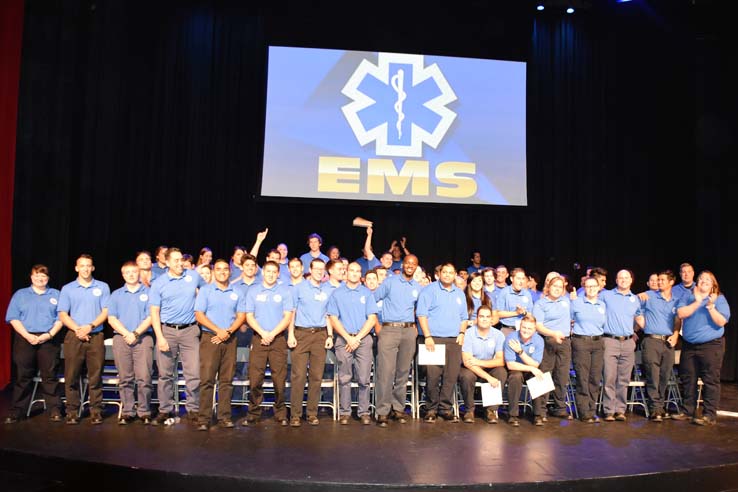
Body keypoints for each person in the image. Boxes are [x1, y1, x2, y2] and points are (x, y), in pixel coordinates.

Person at [149, 247, 206, 425]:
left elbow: (207, 291)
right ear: (166, 262)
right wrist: (160, 337)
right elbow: (154, 312)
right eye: (175, 260)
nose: (180, 263)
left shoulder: (193, 276)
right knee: (165, 375)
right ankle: (165, 410)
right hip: (167, 331)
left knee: (194, 373)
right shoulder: (159, 283)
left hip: (190, 330)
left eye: (181, 259)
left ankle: (193, 408)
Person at [4, 265, 63, 424]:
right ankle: (18, 411)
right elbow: (13, 318)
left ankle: (54, 409)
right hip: (25, 338)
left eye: (43, 276)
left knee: (50, 376)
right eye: (37, 276)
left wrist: (49, 334)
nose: (40, 279)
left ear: (48, 278)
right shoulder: (21, 295)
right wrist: (27, 335)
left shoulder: (56, 295)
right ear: (31, 277)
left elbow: (61, 318)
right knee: (23, 376)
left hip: (48, 339)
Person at [193, 259, 247, 430]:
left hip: (230, 338)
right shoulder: (206, 290)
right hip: (211, 338)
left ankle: (224, 416)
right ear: (214, 271)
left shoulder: (237, 291)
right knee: (207, 379)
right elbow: (199, 315)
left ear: (230, 272)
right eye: (218, 269)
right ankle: (204, 419)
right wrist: (218, 331)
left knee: (227, 380)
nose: (222, 272)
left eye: (225, 269)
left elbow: (241, 316)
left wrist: (228, 332)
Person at [57, 254, 111, 424]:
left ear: (93, 268)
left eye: (88, 265)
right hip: (74, 336)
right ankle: (72, 411)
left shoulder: (102, 287)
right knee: (71, 376)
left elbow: (106, 311)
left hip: (95, 335)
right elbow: (63, 314)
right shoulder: (68, 288)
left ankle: (96, 410)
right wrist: (78, 329)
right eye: (82, 265)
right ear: (76, 268)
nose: (86, 268)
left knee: (95, 375)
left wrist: (90, 326)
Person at [243, 261, 294, 426]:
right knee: (255, 378)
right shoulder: (253, 291)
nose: (271, 274)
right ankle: (253, 412)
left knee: (279, 379)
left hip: (278, 339)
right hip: (259, 338)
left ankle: (280, 412)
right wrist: (264, 333)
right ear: (263, 272)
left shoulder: (285, 291)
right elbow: (249, 316)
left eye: (274, 272)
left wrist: (272, 334)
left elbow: (287, 316)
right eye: (268, 271)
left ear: (278, 273)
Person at [372, 254, 421, 427]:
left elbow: (420, 310)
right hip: (389, 329)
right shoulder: (390, 281)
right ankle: (382, 411)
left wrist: (414, 326)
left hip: (408, 332)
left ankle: (398, 408)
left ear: (416, 267)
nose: (410, 266)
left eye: (413, 264)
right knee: (386, 372)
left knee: (402, 372)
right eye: (407, 263)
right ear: (403, 264)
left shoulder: (417, 287)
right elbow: (372, 300)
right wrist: (377, 325)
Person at [327, 262, 378, 425]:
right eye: (352, 271)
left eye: (358, 271)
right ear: (346, 272)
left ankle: (363, 411)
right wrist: (348, 338)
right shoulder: (337, 293)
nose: (355, 273)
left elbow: (372, 319)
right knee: (344, 377)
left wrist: (357, 338)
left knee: (364, 378)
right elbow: (333, 318)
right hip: (344, 339)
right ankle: (345, 412)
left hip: (363, 340)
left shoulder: (367, 293)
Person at [676, 270, 730, 425]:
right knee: (688, 379)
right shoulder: (688, 297)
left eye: (707, 279)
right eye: (700, 279)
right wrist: (697, 302)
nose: (703, 281)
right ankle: (687, 411)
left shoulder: (719, 299)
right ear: (696, 283)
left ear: (713, 284)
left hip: (711, 345)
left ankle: (709, 415)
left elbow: (721, 322)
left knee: (710, 380)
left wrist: (710, 306)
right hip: (689, 346)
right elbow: (681, 313)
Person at [417, 262, 468, 423]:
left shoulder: (459, 294)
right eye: (444, 272)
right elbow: (422, 315)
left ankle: (445, 408)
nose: (447, 275)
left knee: (451, 376)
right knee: (432, 376)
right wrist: (427, 336)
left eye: (450, 272)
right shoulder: (429, 290)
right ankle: (431, 408)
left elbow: (464, 317)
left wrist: (462, 332)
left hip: (454, 340)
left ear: (455, 275)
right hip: (434, 339)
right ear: (439, 274)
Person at [288, 258, 334, 426]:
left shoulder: (327, 290)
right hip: (301, 334)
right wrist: (290, 334)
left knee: (316, 376)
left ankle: (312, 413)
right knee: (298, 375)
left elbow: (328, 315)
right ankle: (295, 415)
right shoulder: (299, 288)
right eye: (317, 268)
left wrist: (330, 336)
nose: (320, 272)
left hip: (320, 335)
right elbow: (291, 313)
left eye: (322, 269)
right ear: (310, 269)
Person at [107, 261, 154, 425]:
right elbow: (111, 317)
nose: (131, 275)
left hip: (143, 338)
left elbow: (151, 317)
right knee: (125, 378)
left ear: (139, 273)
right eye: (127, 272)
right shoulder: (116, 294)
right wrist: (126, 333)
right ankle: (127, 410)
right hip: (122, 338)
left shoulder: (149, 292)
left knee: (144, 377)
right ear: (123, 274)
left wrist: (136, 333)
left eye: (134, 272)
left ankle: (144, 411)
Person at [598, 270, 644, 422]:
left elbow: (639, 317)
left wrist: (636, 331)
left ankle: (620, 410)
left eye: (626, 277)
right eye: (620, 277)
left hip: (628, 342)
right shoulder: (606, 295)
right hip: (610, 340)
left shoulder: (635, 299)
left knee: (624, 379)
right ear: (616, 280)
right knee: (609, 377)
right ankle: (609, 410)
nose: (623, 280)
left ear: (631, 280)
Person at [637, 269, 682, 422]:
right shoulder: (648, 296)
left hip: (668, 341)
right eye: (658, 279)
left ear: (671, 282)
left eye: (663, 280)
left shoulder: (676, 300)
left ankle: (660, 406)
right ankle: (654, 408)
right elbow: (636, 310)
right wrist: (645, 326)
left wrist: (675, 334)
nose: (659, 282)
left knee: (665, 375)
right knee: (653, 376)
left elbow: (677, 320)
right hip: (652, 340)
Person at [532, 275, 573, 419]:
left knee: (561, 376)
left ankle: (559, 407)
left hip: (564, 342)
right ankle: (540, 411)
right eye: (554, 286)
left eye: (560, 287)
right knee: (543, 376)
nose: (557, 289)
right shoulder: (540, 304)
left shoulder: (567, 302)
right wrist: (553, 333)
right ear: (548, 287)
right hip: (546, 341)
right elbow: (538, 325)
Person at [459, 305, 506, 423]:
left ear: (491, 320)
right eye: (481, 316)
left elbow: (500, 360)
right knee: (466, 376)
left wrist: (480, 362)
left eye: (487, 317)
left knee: (501, 371)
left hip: (485, 364)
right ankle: (469, 410)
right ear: (477, 318)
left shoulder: (498, 335)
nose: (484, 319)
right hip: (471, 368)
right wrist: (488, 377)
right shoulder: (468, 334)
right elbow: (467, 362)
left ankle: (490, 410)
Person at [570, 276, 606, 423]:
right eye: (588, 286)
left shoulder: (602, 304)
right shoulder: (576, 302)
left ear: (599, 288)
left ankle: (592, 409)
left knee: (595, 378)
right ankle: (584, 411)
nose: (591, 289)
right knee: (583, 377)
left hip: (598, 342)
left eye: (594, 286)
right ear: (584, 288)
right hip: (581, 342)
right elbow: (568, 320)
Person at [504, 313, 545, 426]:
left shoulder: (539, 340)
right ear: (520, 326)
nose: (526, 330)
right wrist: (531, 368)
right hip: (516, 368)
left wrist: (520, 352)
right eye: (524, 327)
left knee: (539, 376)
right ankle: (513, 415)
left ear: (535, 329)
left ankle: (538, 414)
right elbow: (510, 365)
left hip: (530, 368)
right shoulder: (511, 338)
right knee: (515, 377)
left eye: (529, 328)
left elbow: (535, 364)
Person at [496, 268, 533, 336]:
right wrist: (516, 313)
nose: (521, 281)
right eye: (518, 278)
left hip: (523, 330)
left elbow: (531, 315)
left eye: (523, 278)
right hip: (507, 329)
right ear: (511, 279)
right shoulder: (504, 292)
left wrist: (524, 312)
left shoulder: (527, 294)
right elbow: (498, 314)